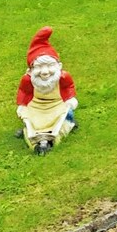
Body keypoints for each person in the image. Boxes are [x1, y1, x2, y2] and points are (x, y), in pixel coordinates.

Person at [16, 26, 79, 155]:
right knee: (30, 121)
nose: (45, 72)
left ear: (59, 66)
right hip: (36, 106)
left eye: (50, 66)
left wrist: (70, 100)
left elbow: (68, 88)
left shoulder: (63, 77)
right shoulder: (28, 80)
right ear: (30, 71)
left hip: (57, 104)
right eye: (39, 67)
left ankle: (59, 134)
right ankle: (33, 141)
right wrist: (22, 106)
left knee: (63, 118)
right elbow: (24, 92)